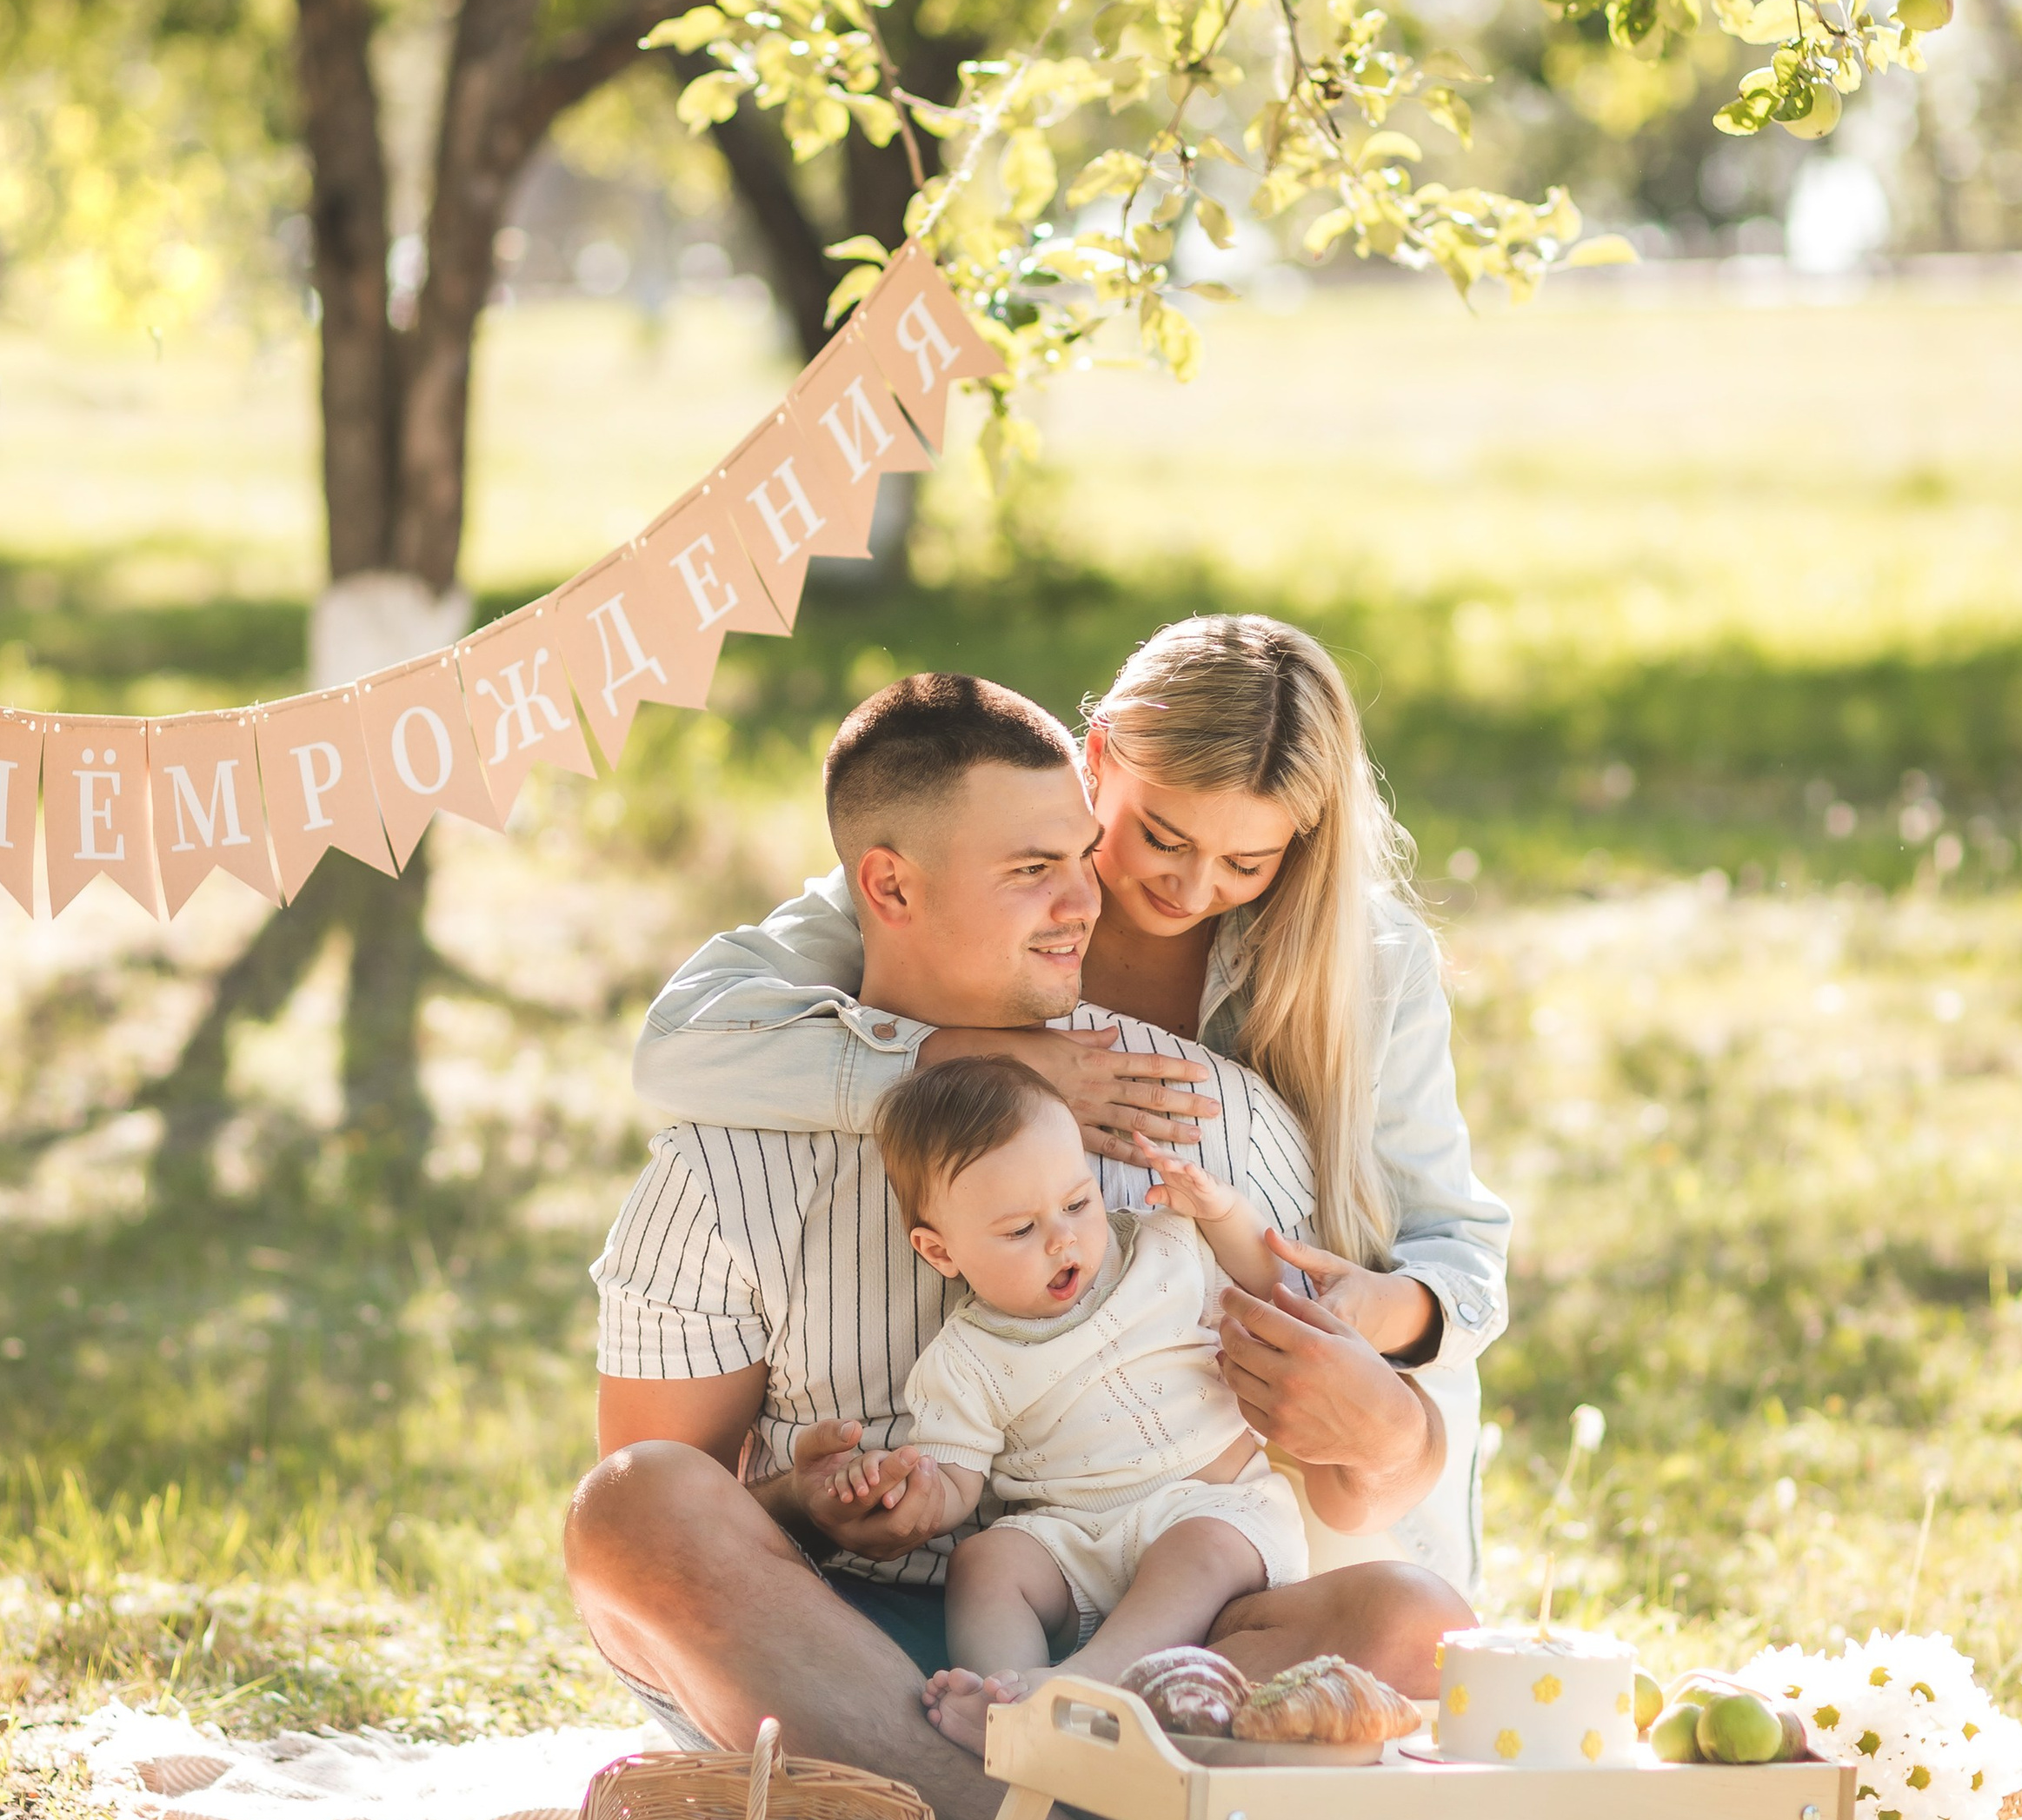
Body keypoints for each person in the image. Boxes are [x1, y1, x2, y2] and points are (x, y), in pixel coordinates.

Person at [568, 672, 1467, 1820]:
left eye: (1081, 857)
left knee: (1407, 1619)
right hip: (834, 1653)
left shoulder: (1197, 1121)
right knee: (628, 1505)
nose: (1089, 900)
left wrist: (1390, 1413)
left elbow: (1330, 1469)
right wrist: (817, 1507)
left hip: (1132, 1644)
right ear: (890, 887)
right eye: (1037, 867)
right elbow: (674, 1527)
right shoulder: (727, 1162)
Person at [634, 613, 1510, 1596]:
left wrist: (1376, 1311)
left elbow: (1454, 1239)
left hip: (1286, 1397)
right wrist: (974, 1058)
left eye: (1246, 864)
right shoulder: (982, 877)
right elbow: (683, 1043)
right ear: (1099, 763)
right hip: (1027, 1433)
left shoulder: (1362, 963)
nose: (1192, 886)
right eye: (1161, 836)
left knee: (1374, 1597)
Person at [861, 1051, 1314, 1747]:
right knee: (985, 1561)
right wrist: (914, 1493)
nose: (1063, 1237)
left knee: (1196, 1547)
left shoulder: (1164, 1249)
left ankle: (1088, 1684)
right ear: (939, 1251)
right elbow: (956, 1484)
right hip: (1075, 1540)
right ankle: (1009, 1706)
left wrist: (1222, 1213)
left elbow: (1266, 1281)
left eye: (1078, 1201)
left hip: (1217, 1506)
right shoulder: (965, 1358)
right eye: (1019, 1230)